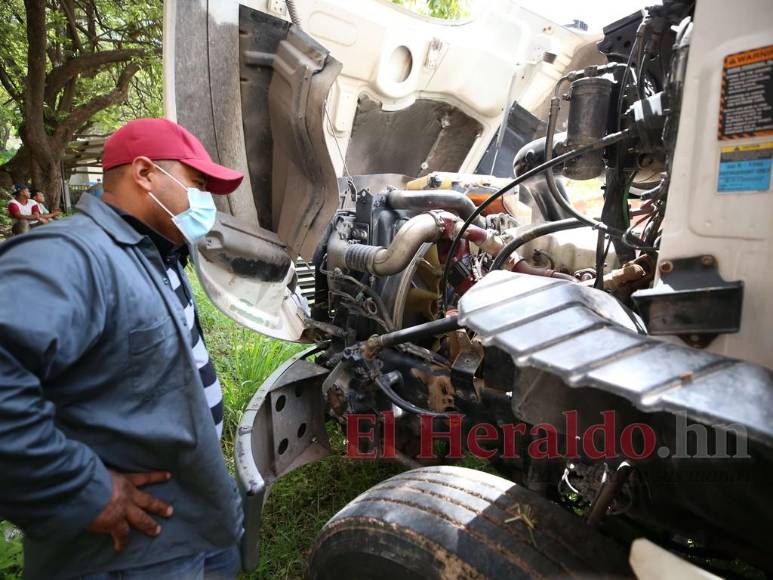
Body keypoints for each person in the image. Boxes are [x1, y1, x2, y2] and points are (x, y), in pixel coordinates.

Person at [0, 118, 246, 579]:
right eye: (196, 183)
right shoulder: (73, 255)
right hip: (127, 555)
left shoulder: (153, 252)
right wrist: (78, 490)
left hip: (186, 532)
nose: (205, 200)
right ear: (145, 173)